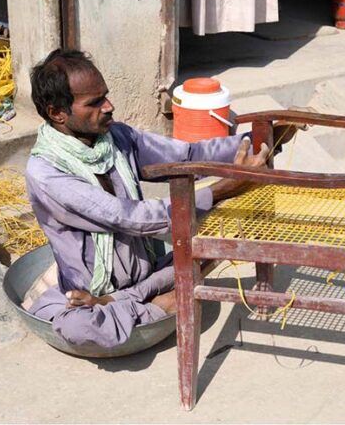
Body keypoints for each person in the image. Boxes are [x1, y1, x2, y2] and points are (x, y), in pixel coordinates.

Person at [25, 49, 298, 348]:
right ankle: (158, 303)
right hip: (87, 291)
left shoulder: (116, 137)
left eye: (106, 96)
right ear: (57, 113)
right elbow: (126, 216)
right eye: (94, 103)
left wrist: (259, 141)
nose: (108, 106)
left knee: (216, 235)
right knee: (80, 327)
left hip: (150, 271)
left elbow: (186, 157)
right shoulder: (45, 172)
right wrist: (225, 188)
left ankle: (125, 301)